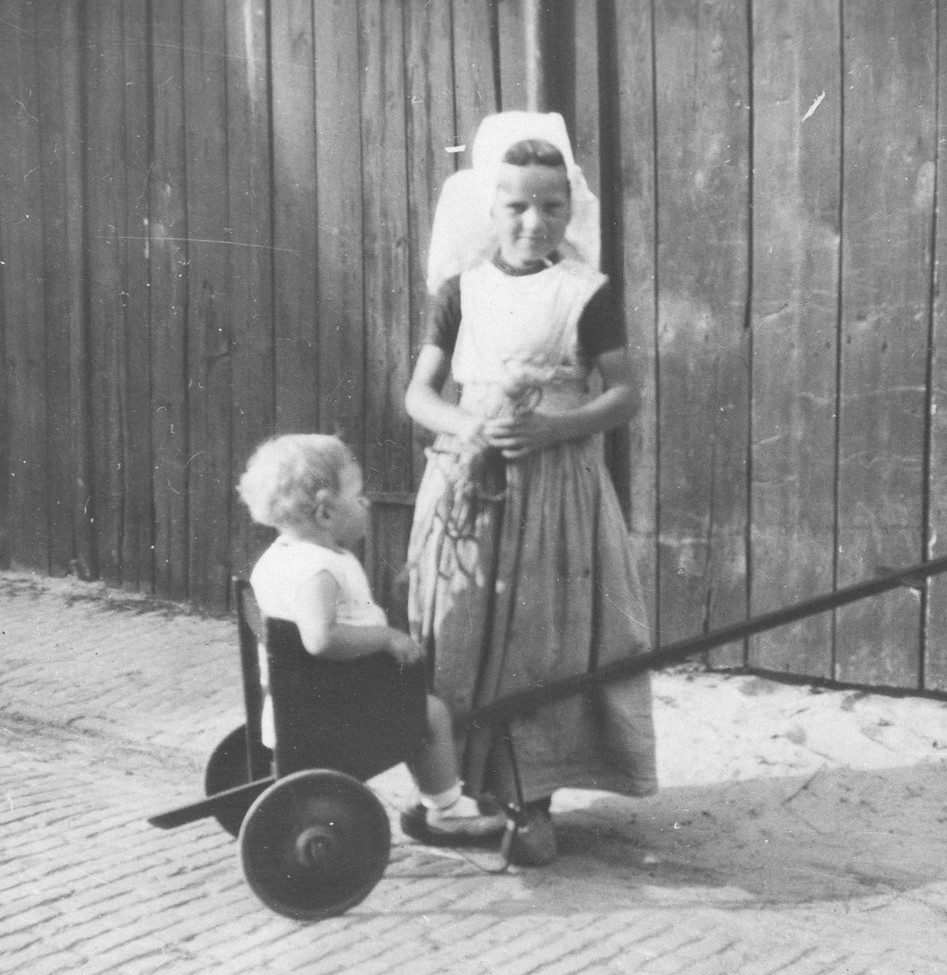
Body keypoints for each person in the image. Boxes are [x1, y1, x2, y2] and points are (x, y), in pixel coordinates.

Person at [403, 112, 658, 867]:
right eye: (516, 205)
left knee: (543, 638)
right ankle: (460, 795)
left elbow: (625, 394)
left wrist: (556, 429)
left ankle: (531, 800)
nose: (533, 222)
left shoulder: (587, 292)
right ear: (489, 207)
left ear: (570, 207)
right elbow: (419, 393)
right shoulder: (460, 291)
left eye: (552, 206)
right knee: (459, 630)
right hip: (469, 488)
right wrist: (469, 428)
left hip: (557, 495)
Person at [236, 433, 506, 843]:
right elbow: (320, 639)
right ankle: (447, 809)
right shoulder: (318, 571)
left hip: (298, 704)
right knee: (431, 713)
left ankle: (437, 795)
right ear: (326, 512)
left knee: (413, 700)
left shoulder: (279, 558)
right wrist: (384, 638)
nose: (367, 504)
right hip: (333, 712)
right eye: (358, 496)